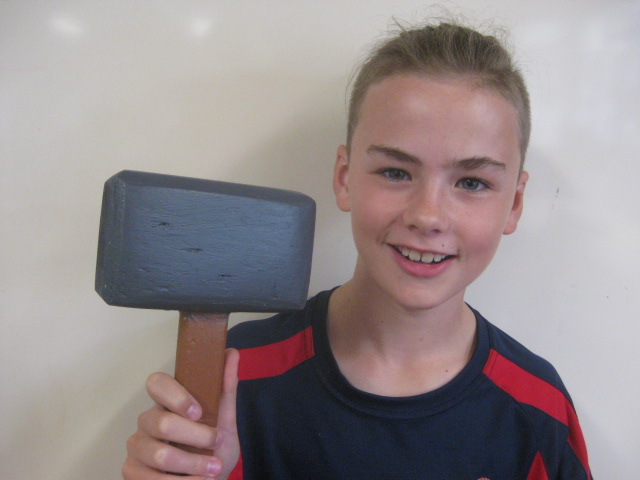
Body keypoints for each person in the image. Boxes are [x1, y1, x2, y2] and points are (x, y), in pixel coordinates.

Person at [122, 19, 593, 480]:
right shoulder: (233, 379)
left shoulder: (539, 411)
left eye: (471, 182)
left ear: (514, 203)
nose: (427, 216)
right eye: (395, 172)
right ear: (345, 178)